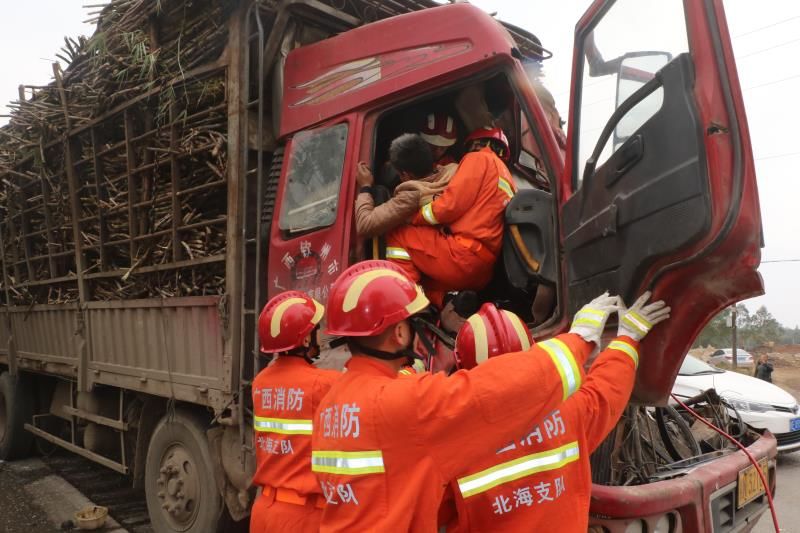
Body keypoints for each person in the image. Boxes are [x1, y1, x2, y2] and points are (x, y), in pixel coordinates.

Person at [311, 259, 621, 532]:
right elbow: (491, 395)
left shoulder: (331, 405)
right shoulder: (400, 404)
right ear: (399, 333)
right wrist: (578, 341)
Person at [445, 293, 669, 532]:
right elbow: (607, 390)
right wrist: (627, 338)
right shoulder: (568, 412)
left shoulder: (448, 441)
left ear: (462, 366)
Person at [384, 127, 515, 307]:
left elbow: (450, 206)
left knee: (397, 234)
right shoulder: (507, 177)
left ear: (476, 143)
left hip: (463, 256)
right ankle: (446, 302)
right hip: (483, 271)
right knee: (424, 281)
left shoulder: (478, 158)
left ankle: (406, 305)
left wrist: (414, 217)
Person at [250, 291, 341, 533]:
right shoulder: (323, 383)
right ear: (305, 340)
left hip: (264, 511)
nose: (320, 335)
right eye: (316, 329)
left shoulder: (260, 382)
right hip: (302, 517)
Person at [354, 133, 457, 239]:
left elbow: (364, 225)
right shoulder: (454, 169)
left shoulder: (410, 196)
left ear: (407, 175)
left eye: (399, 174)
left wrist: (365, 186)